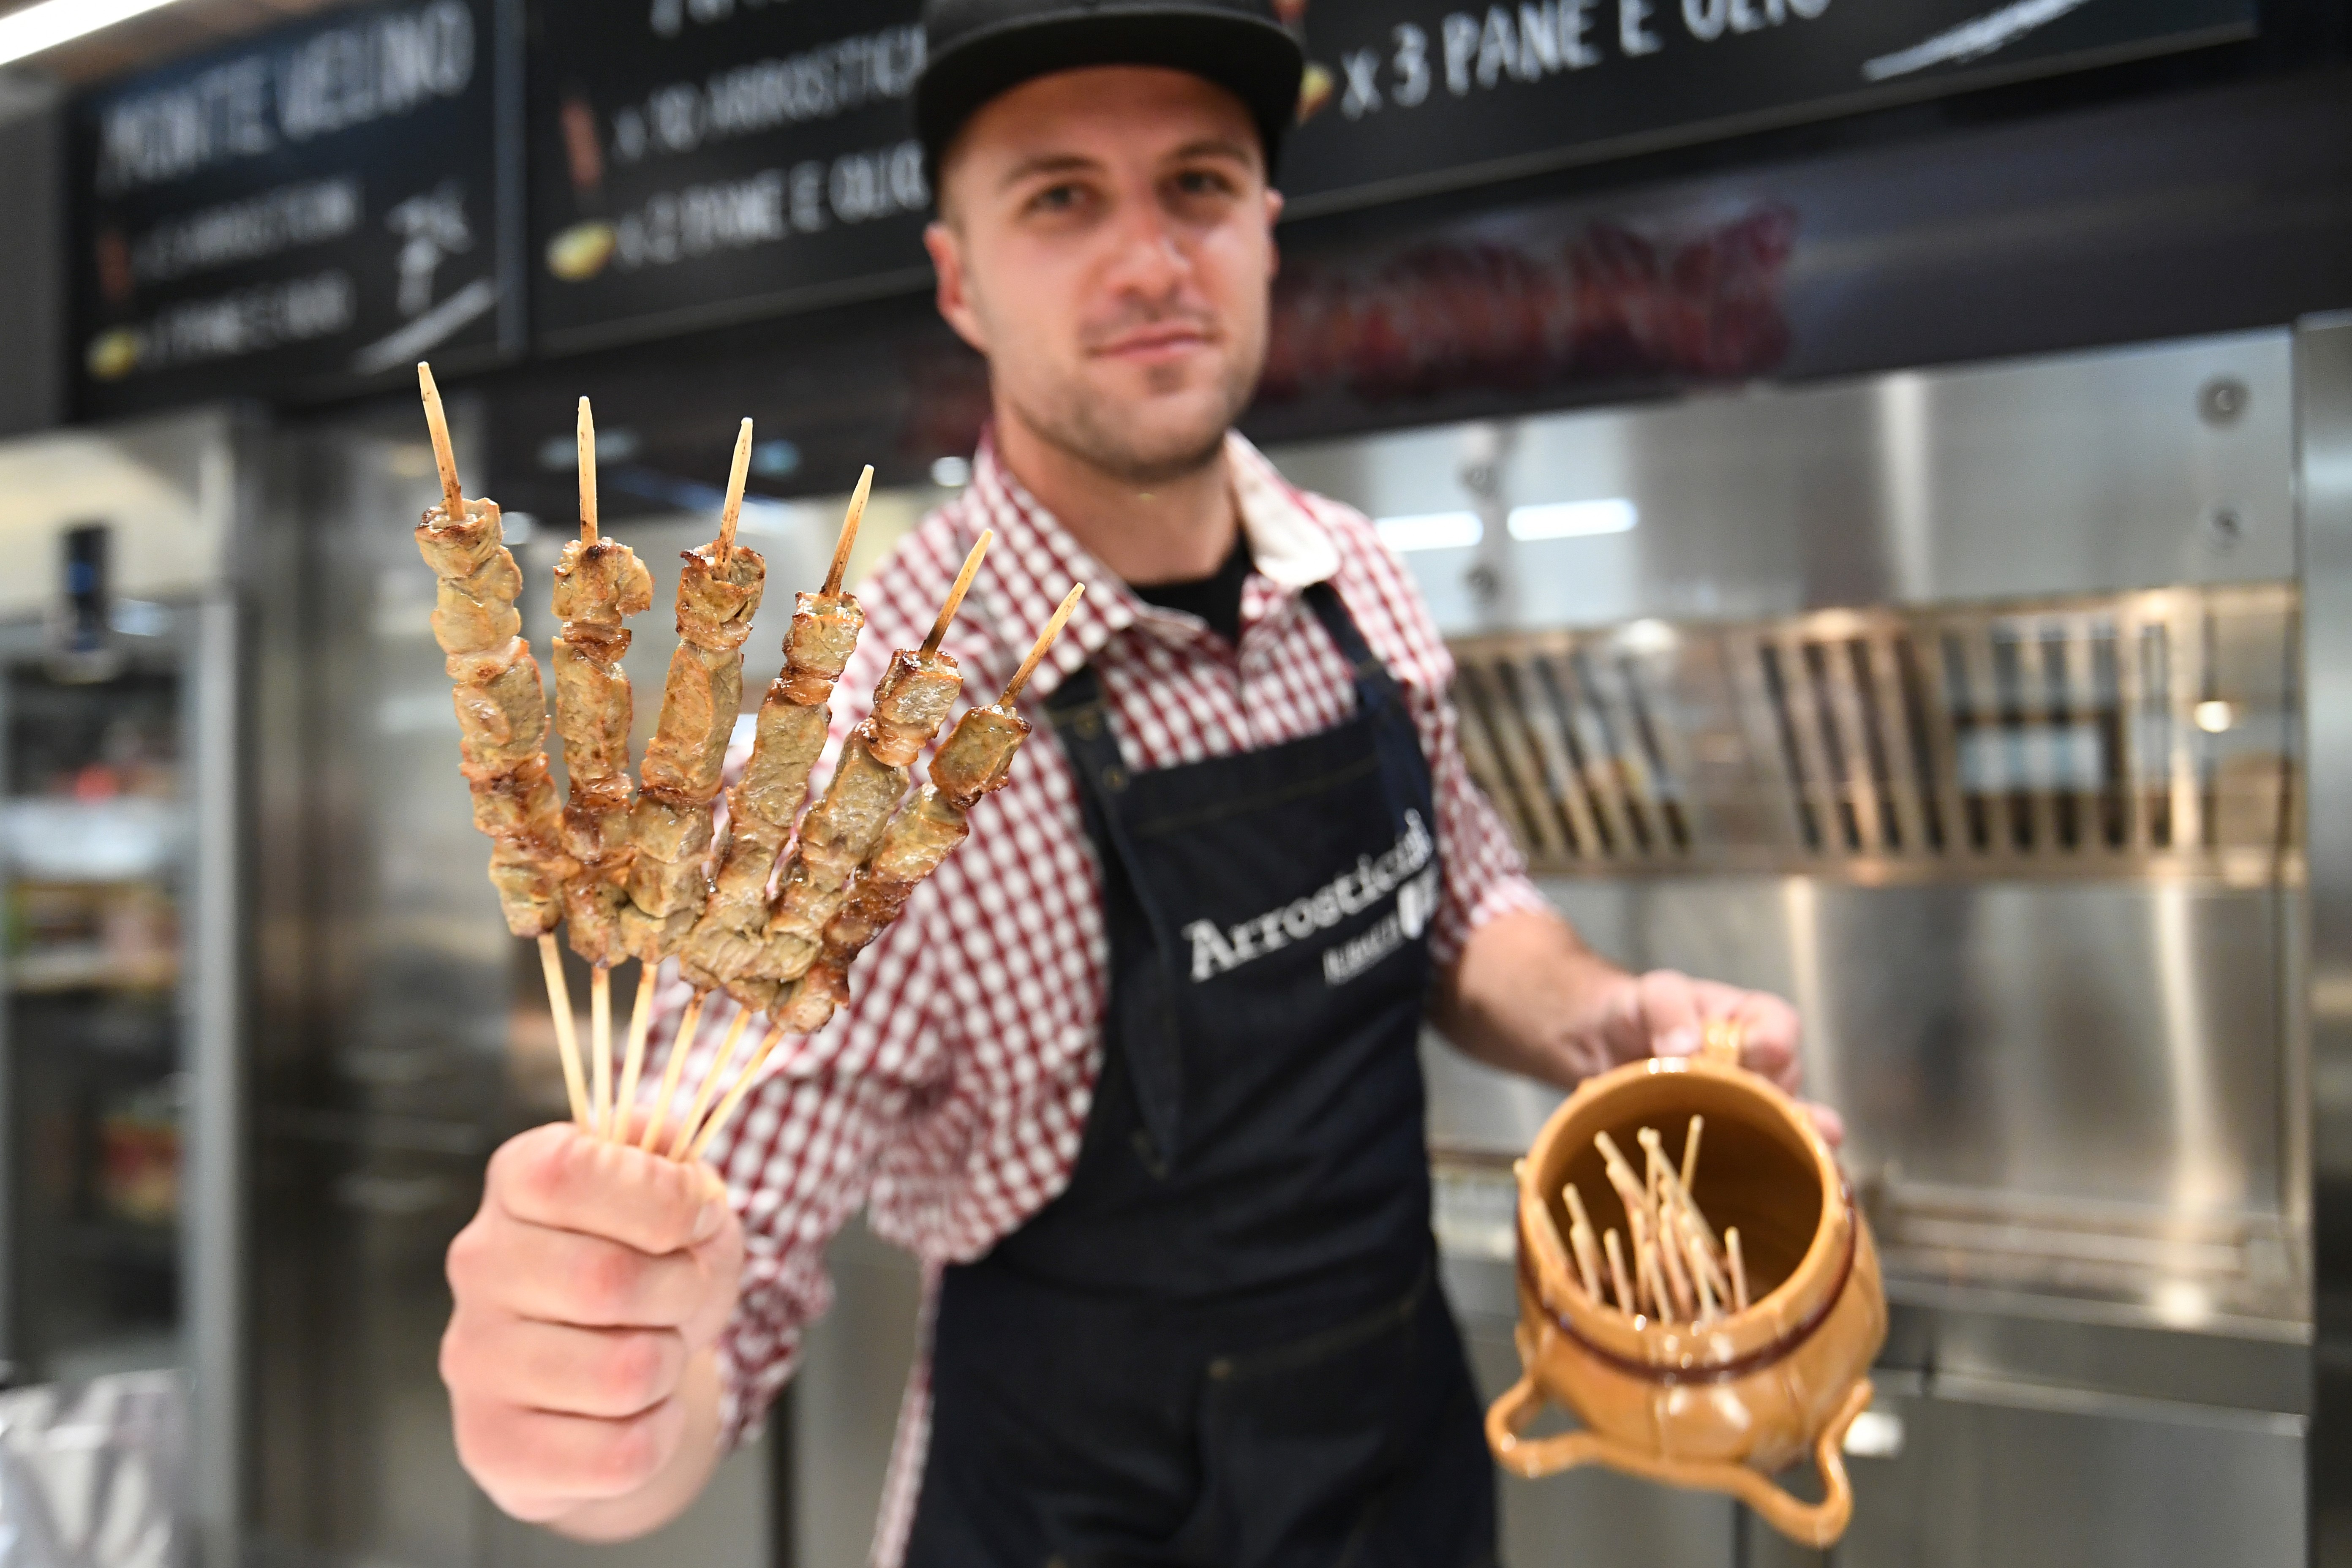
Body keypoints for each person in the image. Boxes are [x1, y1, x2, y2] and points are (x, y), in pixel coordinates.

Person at [438, 2, 1833, 1561]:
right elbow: (716, 1299)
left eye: (1199, 185)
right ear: (959, 279)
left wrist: (1602, 1019)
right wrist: (595, 1407)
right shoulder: (862, 753)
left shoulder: (1352, 576)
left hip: (1401, 1475)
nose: (1153, 259)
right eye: (1060, 198)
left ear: (1266, 231)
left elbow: (1461, 901)